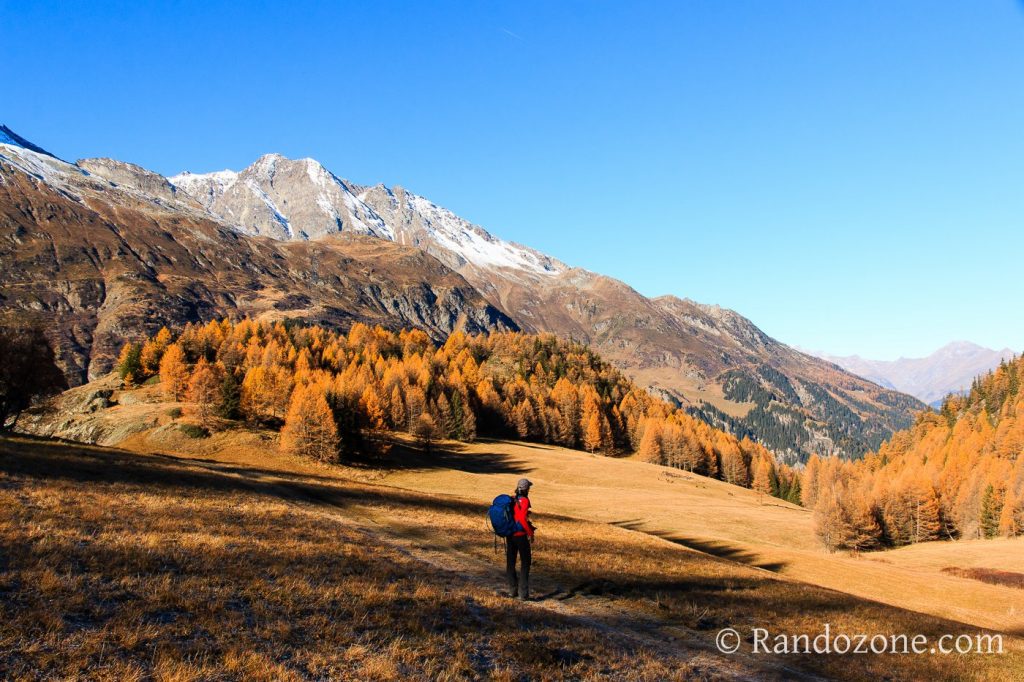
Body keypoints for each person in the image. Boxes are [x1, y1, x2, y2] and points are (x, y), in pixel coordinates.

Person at [506, 478, 535, 600]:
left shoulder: (513, 499)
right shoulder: (524, 500)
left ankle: (512, 591)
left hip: (510, 534)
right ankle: (523, 594)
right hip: (520, 535)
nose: (529, 489)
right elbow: (522, 519)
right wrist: (530, 533)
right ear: (525, 489)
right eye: (528, 487)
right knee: (525, 562)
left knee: (511, 562)